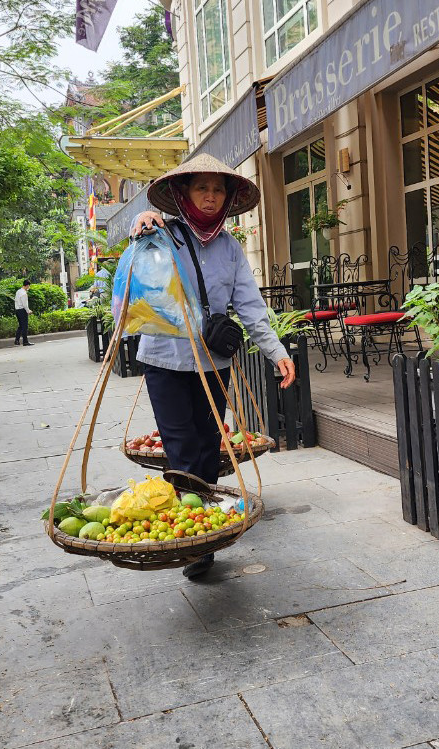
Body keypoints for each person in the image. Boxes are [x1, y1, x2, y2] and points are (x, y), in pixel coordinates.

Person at [131, 154, 296, 579]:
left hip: (212, 361)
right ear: (183, 194)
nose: (209, 196)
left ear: (227, 198)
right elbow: (137, 283)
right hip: (165, 361)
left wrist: (277, 352)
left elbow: (250, 306)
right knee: (181, 446)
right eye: (201, 188)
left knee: (208, 446)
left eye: (217, 189)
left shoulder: (230, 248)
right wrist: (144, 221)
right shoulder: (161, 236)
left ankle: (202, 529)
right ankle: (191, 544)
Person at [14, 280, 34, 346]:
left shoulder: (18, 291)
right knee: (24, 327)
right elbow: (25, 304)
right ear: (27, 285)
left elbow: (16, 301)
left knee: (21, 326)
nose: (29, 287)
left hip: (17, 310)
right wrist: (28, 311)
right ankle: (25, 342)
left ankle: (16, 341)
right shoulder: (24, 294)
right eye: (29, 286)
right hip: (22, 311)